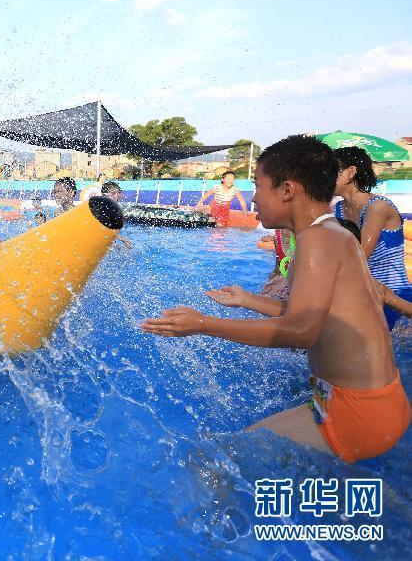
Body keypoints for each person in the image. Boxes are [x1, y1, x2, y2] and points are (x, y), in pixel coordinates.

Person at [142, 135, 410, 463]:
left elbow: (301, 332)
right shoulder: (334, 234)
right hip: (367, 401)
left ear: (287, 190)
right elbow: (314, 315)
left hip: (360, 412)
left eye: (258, 185)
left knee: (211, 461)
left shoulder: (316, 241)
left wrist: (202, 324)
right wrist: (248, 300)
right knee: (244, 443)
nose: (253, 198)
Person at [332, 146, 412, 330]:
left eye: (329, 171)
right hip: (365, 298)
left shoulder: (378, 208)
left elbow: (359, 258)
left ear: (350, 172)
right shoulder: (337, 210)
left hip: (396, 299)